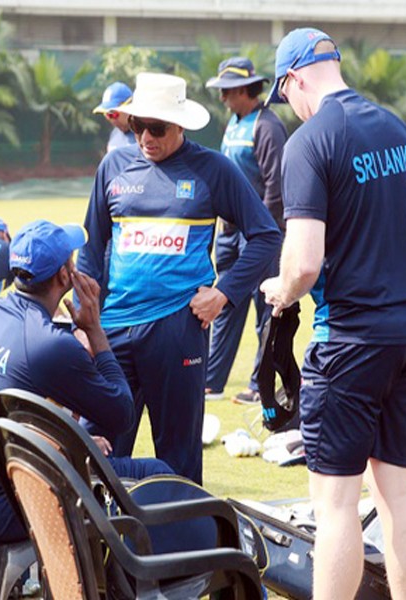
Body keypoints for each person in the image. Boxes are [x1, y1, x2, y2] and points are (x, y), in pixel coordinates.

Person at [259, 28, 406, 600]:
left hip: (352, 341)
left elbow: (305, 261)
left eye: (287, 96)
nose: (291, 107)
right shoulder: (397, 127)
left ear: (295, 79)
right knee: (397, 492)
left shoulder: (308, 143)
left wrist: (281, 290)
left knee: (334, 503)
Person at [78, 72, 283, 484]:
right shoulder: (113, 166)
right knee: (95, 453)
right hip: (111, 333)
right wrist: (85, 322)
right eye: (138, 126)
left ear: (181, 126)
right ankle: (99, 546)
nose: (145, 138)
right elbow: (91, 247)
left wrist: (223, 294)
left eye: (157, 128)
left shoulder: (213, 169)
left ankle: (181, 544)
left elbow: (265, 236)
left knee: (179, 461)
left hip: (178, 330)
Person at [0, 219, 172, 543]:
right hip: (7, 504)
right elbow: (122, 413)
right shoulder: (49, 344)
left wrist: (68, 444)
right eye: (71, 259)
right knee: (158, 475)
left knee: (91, 445)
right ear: (64, 275)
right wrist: (95, 329)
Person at [204, 56, 288, 404]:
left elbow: (277, 186)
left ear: (242, 90)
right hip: (230, 232)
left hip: (259, 235)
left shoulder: (266, 126)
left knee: (264, 310)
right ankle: (212, 380)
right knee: (224, 304)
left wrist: (261, 233)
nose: (222, 98)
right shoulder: (234, 122)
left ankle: (260, 385)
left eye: (226, 92)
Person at [93, 81, 136, 154]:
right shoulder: (115, 134)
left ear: (129, 105)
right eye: (107, 115)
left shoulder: (148, 136)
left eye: (113, 114)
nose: (111, 120)